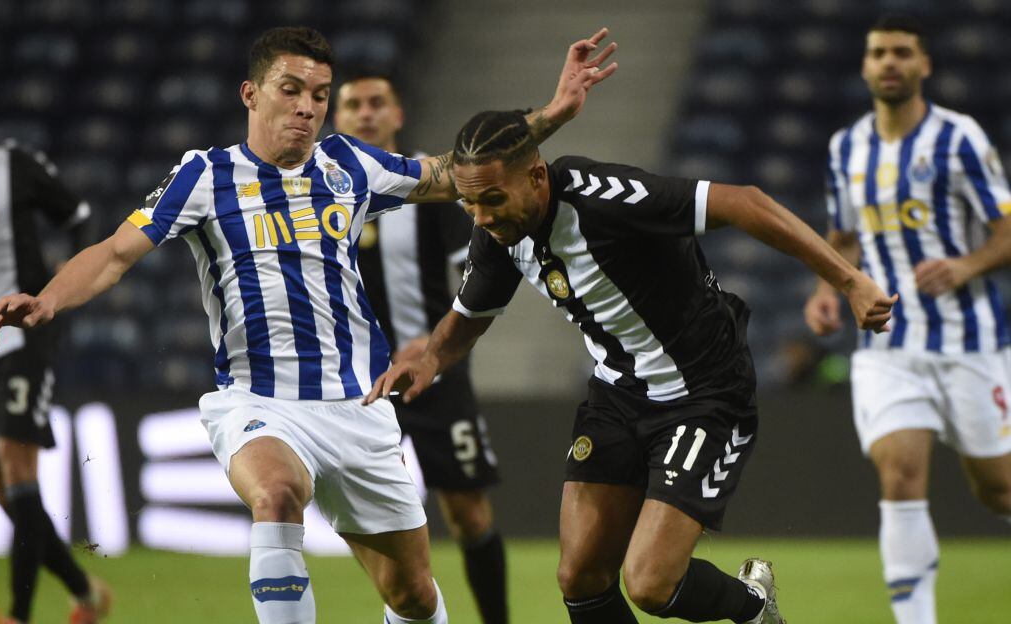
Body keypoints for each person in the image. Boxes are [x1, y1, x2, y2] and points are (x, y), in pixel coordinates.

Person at [0, 26, 616, 624]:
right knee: (277, 493)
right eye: (291, 90)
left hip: (358, 406)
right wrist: (47, 299)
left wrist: (553, 114)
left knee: (414, 593)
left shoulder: (349, 165)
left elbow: (452, 172)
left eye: (318, 95)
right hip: (258, 401)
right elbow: (114, 253)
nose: (307, 108)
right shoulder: (205, 176)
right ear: (251, 93)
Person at [366, 109, 898, 624]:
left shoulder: (605, 197)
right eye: (468, 203)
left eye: (491, 200)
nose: (480, 217)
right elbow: (469, 315)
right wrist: (431, 358)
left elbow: (746, 202)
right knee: (580, 577)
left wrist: (849, 280)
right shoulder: (499, 230)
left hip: (704, 393)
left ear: (535, 175)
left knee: (649, 583)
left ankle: (753, 605)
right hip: (616, 397)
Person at [804, 13, 1011, 624]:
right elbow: (841, 237)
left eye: (901, 52)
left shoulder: (960, 138)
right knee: (899, 475)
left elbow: (1007, 231)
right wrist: (825, 290)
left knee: (997, 489)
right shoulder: (847, 147)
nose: (889, 62)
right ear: (865, 66)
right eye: (878, 53)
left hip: (971, 343)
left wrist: (966, 266)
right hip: (888, 346)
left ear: (924, 65)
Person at [0, 58, 109, 624]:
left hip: (21, 339)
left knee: (15, 464)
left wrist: (56, 286)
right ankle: (86, 592)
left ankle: (18, 616)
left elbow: (80, 216)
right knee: (12, 496)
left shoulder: (14, 164)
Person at [334, 75, 509, 624]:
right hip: (358, 385)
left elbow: (473, 274)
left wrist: (435, 342)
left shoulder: (430, 186)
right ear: (337, 118)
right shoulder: (322, 189)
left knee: (468, 512)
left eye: (376, 103)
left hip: (434, 376)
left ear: (398, 114)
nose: (365, 114)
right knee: (367, 519)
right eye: (354, 105)